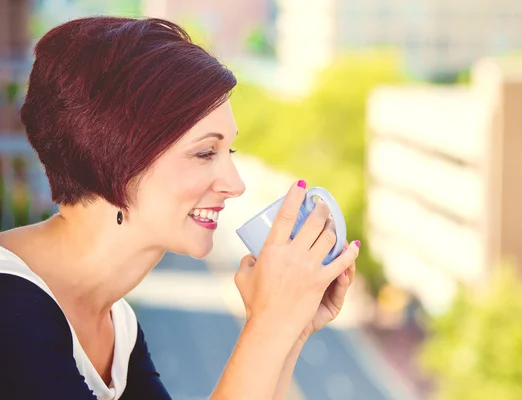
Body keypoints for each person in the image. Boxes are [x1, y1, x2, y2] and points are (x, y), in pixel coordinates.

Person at [0, 16, 360, 400]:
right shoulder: (10, 311)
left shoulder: (118, 327)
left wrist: (291, 326)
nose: (235, 185)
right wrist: (268, 322)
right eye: (206, 152)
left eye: (230, 151)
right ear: (118, 159)